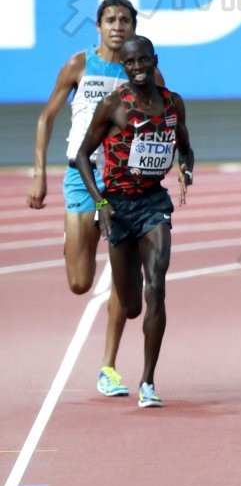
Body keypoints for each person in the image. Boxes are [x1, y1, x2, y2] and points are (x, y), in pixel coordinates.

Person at [26, 0, 165, 398]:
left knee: (124, 284)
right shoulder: (79, 65)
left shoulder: (142, 70)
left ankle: (108, 367)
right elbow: (45, 118)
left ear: (134, 26)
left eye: (124, 19)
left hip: (123, 183)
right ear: (99, 26)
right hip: (78, 174)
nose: (118, 26)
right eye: (110, 20)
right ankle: (74, 242)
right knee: (79, 282)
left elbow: (163, 118)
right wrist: (39, 174)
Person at [75, 35, 194, 408]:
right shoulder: (114, 105)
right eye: (131, 63)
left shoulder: (173, 103)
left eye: (144, 61)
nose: (139, 67)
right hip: (118, 207)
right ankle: (130, 313)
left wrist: (185, 168)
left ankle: (147, 382)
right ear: (124, 67)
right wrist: (101, 202)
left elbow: (185, 146)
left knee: (156, 286)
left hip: (153, 204)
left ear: (154, 60)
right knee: (130, 305)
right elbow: (82, 156)